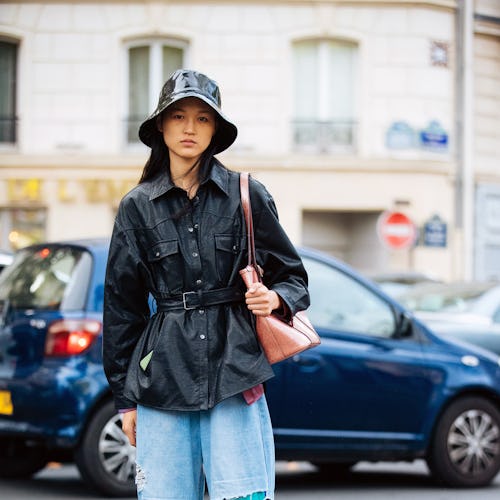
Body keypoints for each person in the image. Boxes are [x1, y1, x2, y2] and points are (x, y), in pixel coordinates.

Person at [103, 69, 310, 500]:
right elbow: (122, 310)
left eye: (202, 118)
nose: (189, 128)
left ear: (215, 128)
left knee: (243, 496)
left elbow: (295, 277)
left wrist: (273, 297)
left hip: (236, 371)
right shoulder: (136, 208)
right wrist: (125, 402)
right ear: (161, 125)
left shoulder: (246, 194)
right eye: (178, 116)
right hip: (162, 376)